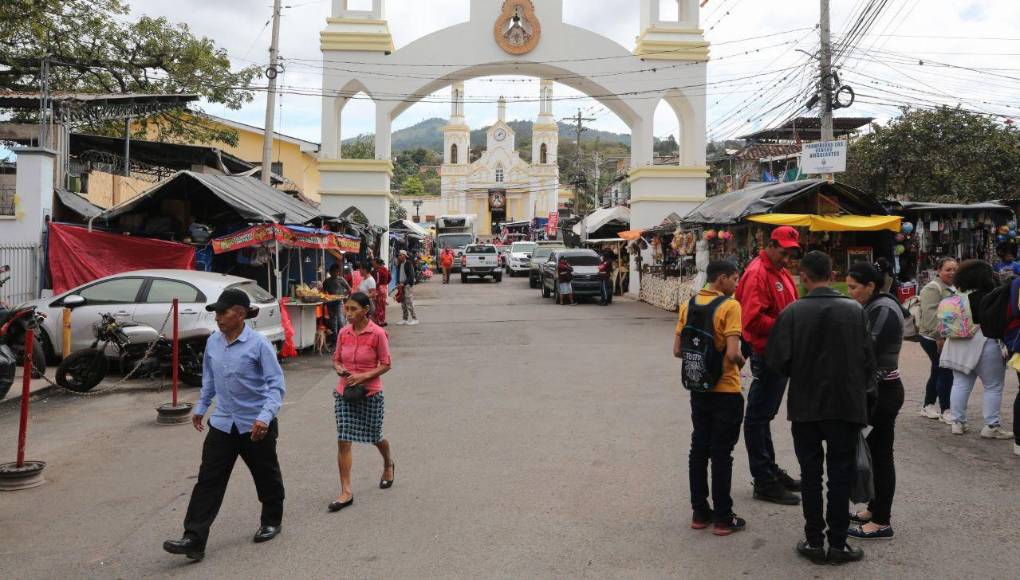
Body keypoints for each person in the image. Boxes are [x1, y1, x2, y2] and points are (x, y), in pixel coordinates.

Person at [766, 251, 877, 565]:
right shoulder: (855, 311)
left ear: (804, 276)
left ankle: (815, 541)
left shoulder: (792, 313)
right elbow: (869, 362)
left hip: (806, 406)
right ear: (832, 275)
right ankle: (838, 544)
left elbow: (777, 361)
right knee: (840, 475)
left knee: (811, 475)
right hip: (845, 405)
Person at [163, 289, 287, 562]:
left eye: (223, 312)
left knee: (265, 474)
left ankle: (271, 519)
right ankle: (194, 538)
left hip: (256, 424)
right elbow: (209, 379)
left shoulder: (258, 345)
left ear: (240, 314)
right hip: (223, 423)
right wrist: (201, 406)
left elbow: (276, 386)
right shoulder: (213, 343)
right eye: (216, 313)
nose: (217, 318)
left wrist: (264, 418)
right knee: (209, 479)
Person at [675, 260, 747, 536]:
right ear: (721, 278)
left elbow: (677, 351)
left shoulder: (688, 304)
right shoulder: (730, 306)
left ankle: (699, 512)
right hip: (726, 391)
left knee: (699, 449)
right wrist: (741, 361)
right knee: (721, 454)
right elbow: (732, 353)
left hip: (699, 389)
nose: (736, 284)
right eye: (734, 279)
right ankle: (723, 518)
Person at [733, 226, 801, 505]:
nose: (787, 258)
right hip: (766, 353)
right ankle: (763, 479)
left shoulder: (779, 271)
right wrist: (789, 326)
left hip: (778, 352)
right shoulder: (758, 273)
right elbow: (751, 320)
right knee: (757, 417)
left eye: (791, 253)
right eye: (784, 252)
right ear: (771, 245)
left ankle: (769, 470)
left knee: (764, 416)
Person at [845, 263, 905, 541]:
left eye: (853, 287)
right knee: (873, 453)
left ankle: (882, 521)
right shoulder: (876, 306)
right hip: (874, 390)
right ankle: (874, 508)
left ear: (870, 286)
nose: (850, 292)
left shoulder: (883, 309)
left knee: (881, 457)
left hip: (884, 392)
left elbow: (866, 348)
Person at [329, 293, 394, 512]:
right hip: (345, 393)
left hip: (370, 392)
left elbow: (386, 364)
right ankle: (346, 491)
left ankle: (388, 463)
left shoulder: (377, 334)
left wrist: (363, 377)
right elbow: (336, 358)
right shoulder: (343, 333)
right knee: (343, 439)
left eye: (353, 309)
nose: (348, 313)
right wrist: (339, 368)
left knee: (375, 435)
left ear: (366, 310)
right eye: (346, 308)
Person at [940, 260, 1014, 439]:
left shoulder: (955, 295)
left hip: (957, 343)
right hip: (986, 342)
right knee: (993, 386)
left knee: (960, 383)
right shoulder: (991, 296)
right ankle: (991, 426)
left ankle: (957, 422)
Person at [918, 258, 957, 422]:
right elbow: (931, 315)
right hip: (933, 337)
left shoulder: (953, 287)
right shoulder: (932, 288)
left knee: (938, 369)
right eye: (948, 269)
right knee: (945, 370)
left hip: (947, 336)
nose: (952, 273)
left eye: (955, 269)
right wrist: (939, 336)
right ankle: (946, 409)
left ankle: (927, 405)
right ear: (939, 270)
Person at [324, 264, 351, 335]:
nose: (335, 274)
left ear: (338, 272)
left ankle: (345, 335)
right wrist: (325, 298)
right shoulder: (326, 281)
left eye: (337, 272)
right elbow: (323, 292)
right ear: (330, 272)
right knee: (333, 321)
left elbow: (349, 289)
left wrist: (345, 296)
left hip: (339, 302)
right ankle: (335, 337)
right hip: (330, 303)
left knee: (340, 319)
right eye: (333, 272)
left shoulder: (341, 279)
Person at [394, 250, 419, 326]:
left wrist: (404, 283)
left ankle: (415, 318)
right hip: (401, 286)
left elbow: (411, 276)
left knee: (409, 302)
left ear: (404, 256)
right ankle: (405, 319)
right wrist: (398, 283)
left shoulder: (408, 263)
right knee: (403, 303)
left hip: (407, 285)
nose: (399, 256)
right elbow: (398, 275)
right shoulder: (399, 264)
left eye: (400, 255)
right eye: (398, 255)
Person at [372, 258, 391, 327]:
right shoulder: (386, 269)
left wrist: (376, 289)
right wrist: (385, 284)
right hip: (385, 288)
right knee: (382, 305)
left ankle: (379, 321)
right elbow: (390, 278)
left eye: (374, 264)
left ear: (377, 264)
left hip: (379, 288)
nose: (373, 265)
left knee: (378, 305)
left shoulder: (378, 271)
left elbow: (377, 281)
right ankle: (383, 320)